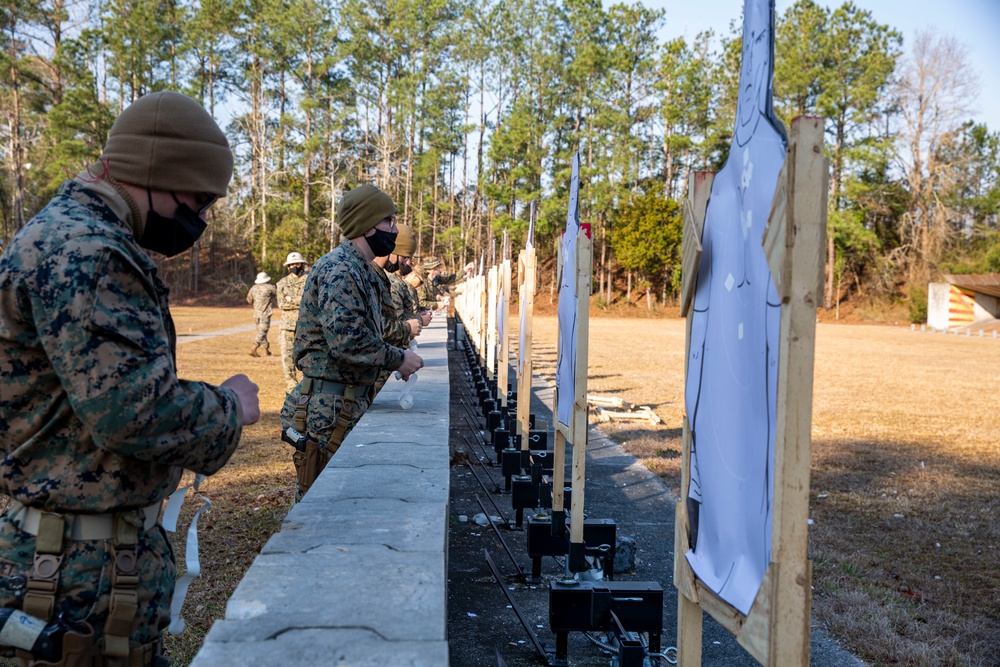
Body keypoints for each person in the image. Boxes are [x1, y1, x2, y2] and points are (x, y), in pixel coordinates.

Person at [0, 90, 260, 666]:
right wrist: (228, 405)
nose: (201, 217)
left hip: (73, 559)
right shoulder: (91, 250)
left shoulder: (61, 233)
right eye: (197, 198)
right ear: (155, 170)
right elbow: (131, 412)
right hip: (79, 574)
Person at [280, 185, 423, 501]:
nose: (394, 229)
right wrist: (398, 359)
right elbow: (348, 342)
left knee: (343, 502)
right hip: (329, 409)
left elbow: (373, 332)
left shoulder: (362, 270)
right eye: (389, 222)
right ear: (368, 225)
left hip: (345, 403)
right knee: (322, 505)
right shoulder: (342, 268)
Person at [276, 252, 308, 391]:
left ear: (302, 264)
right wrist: (300, 301)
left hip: (306, 326)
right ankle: (291, 386)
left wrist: (292, 299)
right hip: (287, 326)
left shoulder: (310, 280)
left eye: (297, 263)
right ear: (288, 266)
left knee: (308, 356)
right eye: (292, 264)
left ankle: (306, 386)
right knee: (287, 357)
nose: (295, 266)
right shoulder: (281, 283)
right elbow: (282, 304)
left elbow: (310, 302)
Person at [246, 271, 277, 357]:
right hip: (265, 313)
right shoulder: (270, 288)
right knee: (263, 332)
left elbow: (249, 300)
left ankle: (266, 351)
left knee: (262, 331)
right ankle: (253, 348)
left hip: (256, 314)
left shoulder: (253, 288)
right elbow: (278, 294)